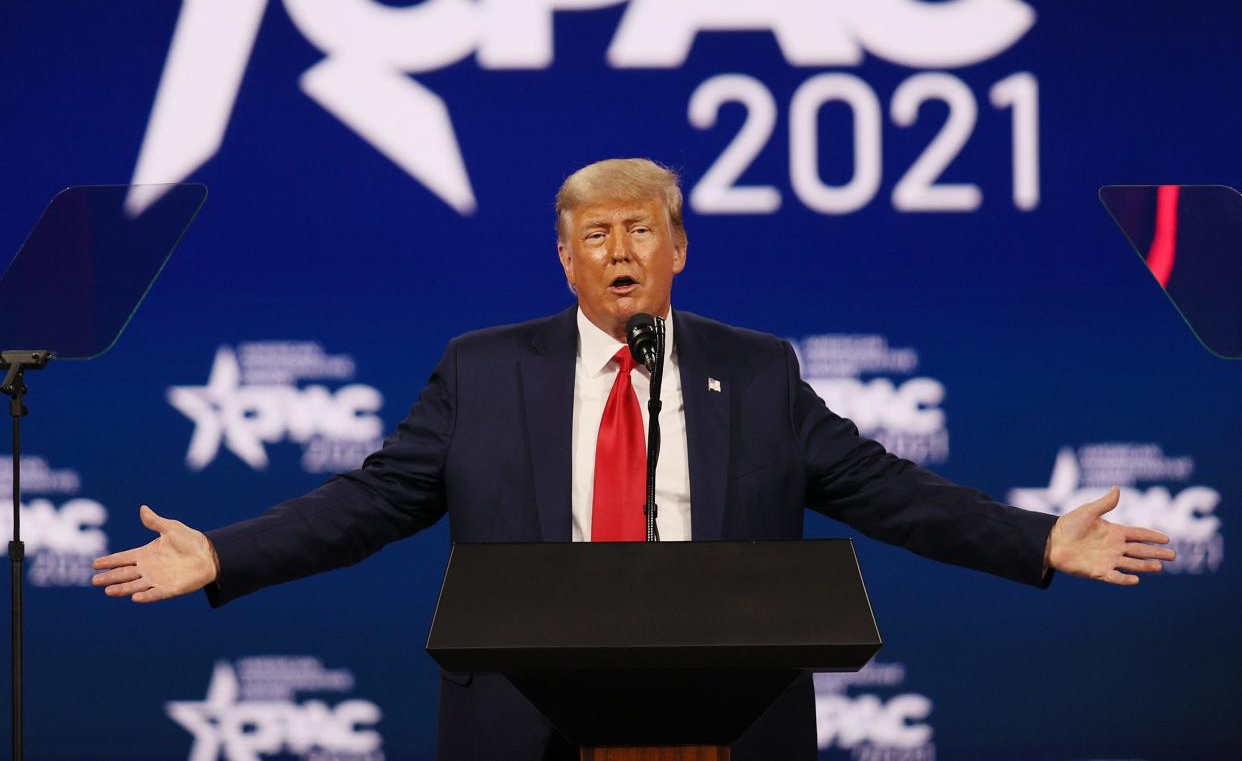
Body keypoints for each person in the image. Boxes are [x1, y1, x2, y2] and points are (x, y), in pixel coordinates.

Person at [92, 158, 1175, 759]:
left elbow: (885, 488)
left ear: (680, 247)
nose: (621, 252)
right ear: (564, 257)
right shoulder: (483, 368)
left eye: (641, 230)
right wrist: (225, 556)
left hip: (725, 712)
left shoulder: (755, 369)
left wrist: (1036, 539)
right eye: (596, 235)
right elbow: (373, 501)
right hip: (526, 713)